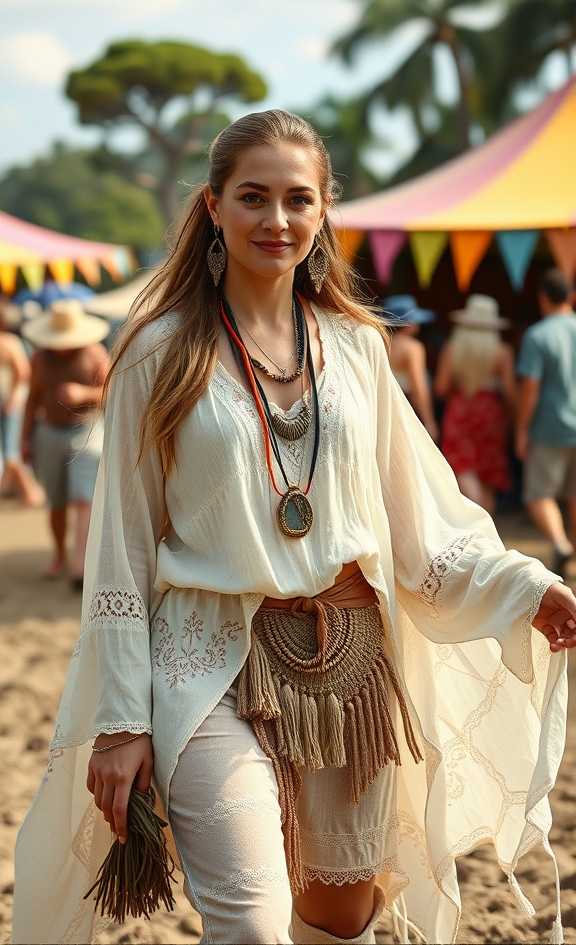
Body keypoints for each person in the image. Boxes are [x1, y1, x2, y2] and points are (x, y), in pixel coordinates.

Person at [12, 111, 576, 945]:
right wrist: (122, 721)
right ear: (213, 206)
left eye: (297, 198)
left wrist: (526, 585)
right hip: (207, 660)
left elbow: (418, 522)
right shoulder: (156, 353)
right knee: (251, 922)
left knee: (338, 921)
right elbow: (122, 551)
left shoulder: (358, 347)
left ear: (323, 210)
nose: (275, 219)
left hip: (353, 665)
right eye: (253, 197)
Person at [20, 299, 110, 587]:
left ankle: (80, 565)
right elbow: (32, 399)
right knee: (56, 501)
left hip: (87, 430)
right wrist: (24, 439)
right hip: (49, 432)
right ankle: (60, 555)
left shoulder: (95, 353)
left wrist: (84, 394)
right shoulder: (39, 357)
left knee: (84, 497)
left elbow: (111, 393)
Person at [516, 268, 576, 577]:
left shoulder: (537, 335)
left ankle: (560, 543)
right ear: (572, 297)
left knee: (539, 495)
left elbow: (530, 387)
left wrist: (521, 429)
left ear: (542, 297)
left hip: (549, 427)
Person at [434, 294, 516, 515]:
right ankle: (486, 523)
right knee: (487, 473)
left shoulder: (452, 348)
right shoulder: (503, 352)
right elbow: (510, 391)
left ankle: (474, 513)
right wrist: (514, 418)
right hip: (491, 411)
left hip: (460, 408)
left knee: (462, 466)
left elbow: (440, 388)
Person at [0, 301, 45, 507]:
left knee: (11, 452)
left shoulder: (9, 342)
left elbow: (23, 374)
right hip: (8, 404)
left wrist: (13, 399)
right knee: (10, 452)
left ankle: (31, 493)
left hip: (11, 405)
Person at [380, 294, 438, 441]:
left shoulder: (379, 343)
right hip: (404, 409)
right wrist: (429, 420)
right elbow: (419, 387)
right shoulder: (413, 348)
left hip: (380, 408)